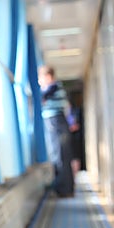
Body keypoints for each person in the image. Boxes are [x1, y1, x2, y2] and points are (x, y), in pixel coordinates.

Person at [38, 65, 74, 198]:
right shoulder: (56, 88)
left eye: (40, 78)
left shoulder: (53, 88)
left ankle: (63, 189)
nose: (39, 81)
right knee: (61, 155)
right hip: (57, 122)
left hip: (56, 122)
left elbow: (41, 97)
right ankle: (64, 188)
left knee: (59, 155)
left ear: (48, 77)